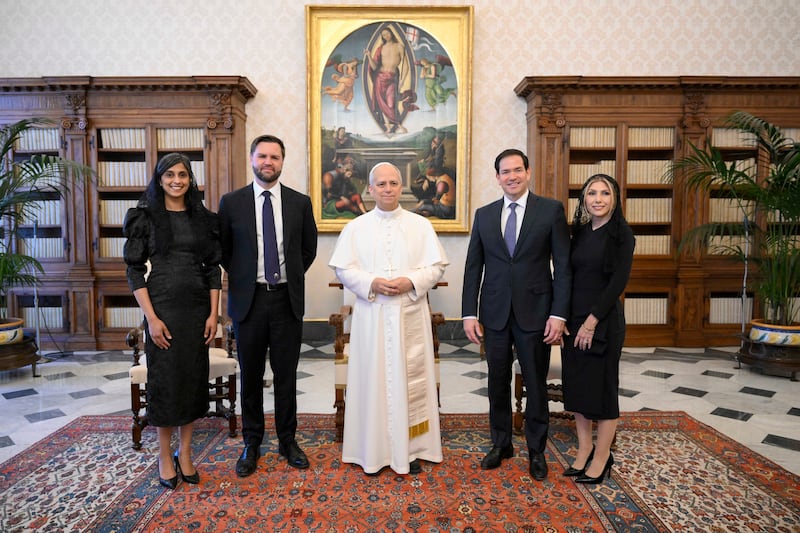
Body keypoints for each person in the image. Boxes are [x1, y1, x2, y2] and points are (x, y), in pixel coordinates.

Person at [329, 162, 449, 476]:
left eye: (393, 183)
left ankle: (412, 449)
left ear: (401, 187)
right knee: (373, 381)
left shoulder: (420, 225)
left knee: (410, 381)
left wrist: (412, 282)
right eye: (380, 184)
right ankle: (372, 451)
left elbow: (436, 267)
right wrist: (371, 283)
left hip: (410, 314)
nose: (387, 188)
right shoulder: (356, 227)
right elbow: (343, 268)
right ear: (370, 188)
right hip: (372, 316)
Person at [462, 148, 571, 481]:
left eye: (517, 170)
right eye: (504, 172)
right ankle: (501, 443)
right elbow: (473, 267)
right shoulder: (484, 215)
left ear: (528, 172)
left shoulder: (550, 211)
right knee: (496, 381)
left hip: (536, 313)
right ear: (497, 177)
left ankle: (536, 450)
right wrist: (468, 313)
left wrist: (559, 314)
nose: (511, 176)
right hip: (494, 314)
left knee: (535, 384)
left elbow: (563, 267)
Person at [218, 135, 318, 477]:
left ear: (282, 161)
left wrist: (284, 277)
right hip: (249, 301)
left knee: (287, 375)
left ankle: (288, 440)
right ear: (252, 159)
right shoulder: (231, 203)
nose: (268, 162)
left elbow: (308, 250)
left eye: (274, 156)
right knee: (251, 375)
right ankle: (252, 442)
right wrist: (247, 277)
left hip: (286, 299)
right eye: (262, 156)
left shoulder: (299, 203)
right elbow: (225, 251)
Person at [123, 152, 222, 490]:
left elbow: (213, 269)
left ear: (190, 179)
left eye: (183, 174)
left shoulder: (203, 219)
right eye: (169, 175)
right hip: (162, 310)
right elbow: (133, 271)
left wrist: (213, 314)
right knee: (166, 384)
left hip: (197, 312)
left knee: (193, 382)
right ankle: (164, 454)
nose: (177, 180)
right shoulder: (145, 217)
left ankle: (185, 451)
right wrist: (150, 319)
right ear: (159, 179)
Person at [560, 174, 635, 484]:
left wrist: (591, 322)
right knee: (577, 388)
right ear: (584, 199)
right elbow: (568, 276)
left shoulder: (622, 235)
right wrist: (564, 317)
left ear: (615, 198)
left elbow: (617, 283)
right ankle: (584, 448)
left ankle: (603, 456)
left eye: (605, 193)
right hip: (574, 319)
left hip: (602, 322)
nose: (598, 199)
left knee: (603, 391)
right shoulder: (578, 232)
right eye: (592, 193)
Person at [364, 26, 415, 134]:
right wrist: (369, 56)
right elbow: (374, 67)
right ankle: (388, 126)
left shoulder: (400, 46)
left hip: (392, 78)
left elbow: (405, 65)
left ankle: (399, 125)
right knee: (381, 102)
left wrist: (402, 80)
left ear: (391, 33)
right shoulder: (380, 48)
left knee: (391, 103)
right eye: (383, 35)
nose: (386, 36)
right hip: (380, 78)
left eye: (387, 33)